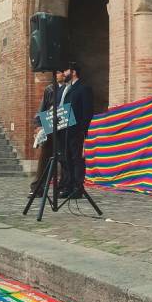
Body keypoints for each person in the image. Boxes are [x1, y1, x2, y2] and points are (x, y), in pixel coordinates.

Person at [29, 68, 67, 198]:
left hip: (65, 128)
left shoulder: (69, 89)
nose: (60, 74)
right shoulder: (50, 89)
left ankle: (63, 187)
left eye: (61, 72)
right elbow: (43, 108)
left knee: (64, 158)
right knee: (44, 158)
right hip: (50, 128)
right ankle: (37, 188)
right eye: (57, 72)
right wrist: (38, 125)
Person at [58, 62, 93, 199]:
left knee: (76, 159)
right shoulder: (67, 89)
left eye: (65, 70)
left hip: (76, 131)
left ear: (73, 72)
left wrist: (82, 131)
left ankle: (77, 188)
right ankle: (69, 186)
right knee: (66, 159)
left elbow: (87, 112)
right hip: (65, 130)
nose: (63, 74)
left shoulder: (84, 88)